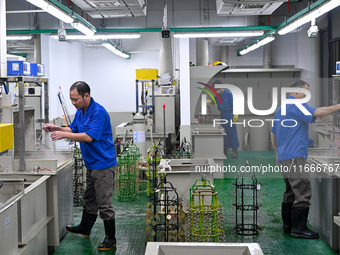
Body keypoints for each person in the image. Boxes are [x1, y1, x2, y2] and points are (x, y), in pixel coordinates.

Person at [43, 81, 117, 251]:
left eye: (75, 99)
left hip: (103, 164)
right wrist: (56, 127)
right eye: (71, 100)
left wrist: (63, 135)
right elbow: (73, 128)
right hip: (91, 163)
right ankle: (85, 227)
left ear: (86, 95)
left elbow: (88, 137)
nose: (73, 103)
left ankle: (111, 238)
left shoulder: (98, 112)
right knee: (89, 198)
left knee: (104, 203)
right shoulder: (81, 112)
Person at [271, 80, 340, 239]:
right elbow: (320, 112)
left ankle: (288, 225)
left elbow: (273, 133)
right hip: (295, 156)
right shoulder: (296, 105)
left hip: (284, 157)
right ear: (295, 91)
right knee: (303, 191)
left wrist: (277, 154)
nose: (307, 96)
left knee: (290, 191)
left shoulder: (281, 108)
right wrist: (338, 106)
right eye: (306, 92)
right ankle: (299, 229)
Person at [215, 80, 239, 158]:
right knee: (223, 133)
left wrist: (236, 114)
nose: (217, 91)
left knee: (232, 134)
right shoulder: (217, 96)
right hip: (222, 115)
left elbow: (235, 104)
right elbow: (216, 102)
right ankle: (224, 152)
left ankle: (235, 151)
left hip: (230, 115)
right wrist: (210, 102)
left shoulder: (229, 94)